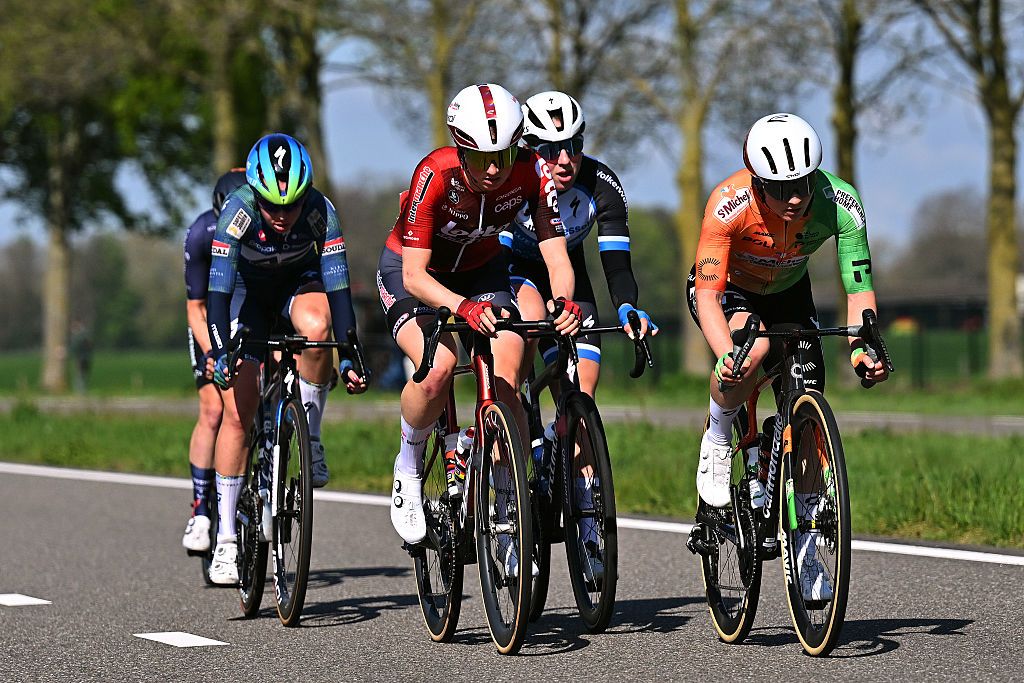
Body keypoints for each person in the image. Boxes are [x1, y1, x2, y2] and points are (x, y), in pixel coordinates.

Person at [377, 83, 580, 576]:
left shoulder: (532, 172)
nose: (494, 169)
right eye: (482, 157)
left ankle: (508, 507)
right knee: (439, 365)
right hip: (416, 275)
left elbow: (557, 254)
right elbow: (414, 276)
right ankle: (408, 462)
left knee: (510, 364)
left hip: (482, 273)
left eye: (505, 154)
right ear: (461, 147)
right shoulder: (435, 173)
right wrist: (461, 307)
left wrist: (563, 301)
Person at [689, 112, 888, 601]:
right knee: (750, 349)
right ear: (756, 181)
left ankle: (804, 546)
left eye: (801, 182)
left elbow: (858, 287)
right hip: (729, 292)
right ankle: (717, 438)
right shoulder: (727, 203)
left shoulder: (841, 203)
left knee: (806, 404)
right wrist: (724, 355)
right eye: (779, 188)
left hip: (790, 295)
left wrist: (863, 346)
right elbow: (708, 295)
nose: (794, 197)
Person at [205, 133, 369, 585]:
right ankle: (225, 540)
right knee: (238, 413)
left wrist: (351, 352)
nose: (282, 215)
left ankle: (310, 436)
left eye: (291, 205)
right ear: (255, 195)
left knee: (318, 331)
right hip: (246, 294)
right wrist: (221, 352)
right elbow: (216, 296)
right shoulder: (236, 213)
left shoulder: (321, 212)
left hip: (299, 283)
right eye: (272, 206)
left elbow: (338, 291)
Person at [504, 90, 657, 397]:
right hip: (515, 271)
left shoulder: (600, 184)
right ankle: (515, 413)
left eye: (573, 146)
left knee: (581, 393)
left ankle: (563, 434)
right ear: (527, 148)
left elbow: (617, 265)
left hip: (569, 275)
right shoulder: (510, 180)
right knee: (527, 331)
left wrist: (628, 306)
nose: (564, 161)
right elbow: (495, 253)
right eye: (550, 150)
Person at [180, 169, 247, 554]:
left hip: (246, 313)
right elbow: (196, 309)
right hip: (209, 320)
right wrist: (211, 353)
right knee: (212, 409)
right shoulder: (200, 233)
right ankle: (202, 511)